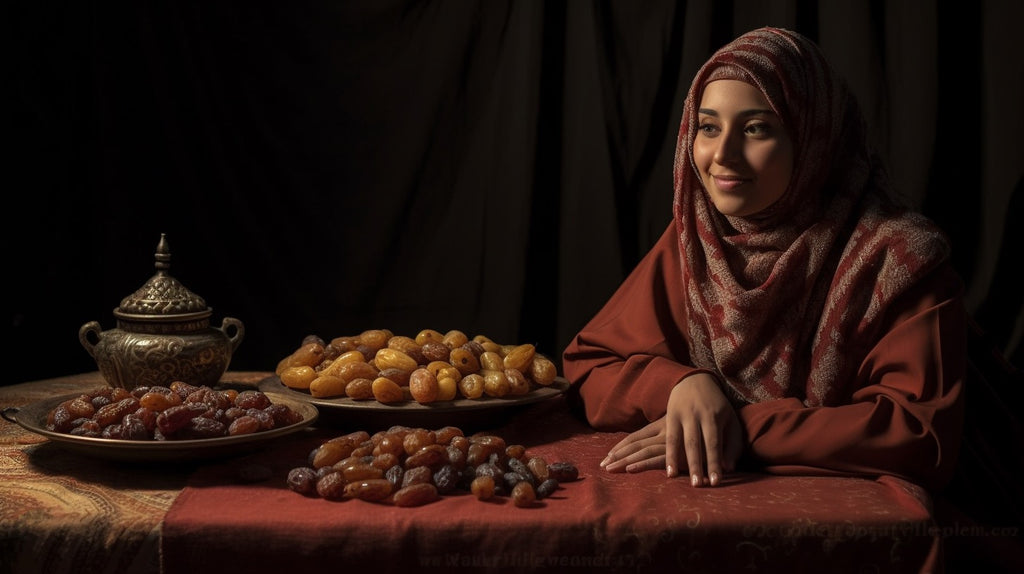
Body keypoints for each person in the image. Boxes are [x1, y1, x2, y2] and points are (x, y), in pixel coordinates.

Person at [561, 27, 967, 492]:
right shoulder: (700, 239)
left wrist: (740, 426)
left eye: (756, 128)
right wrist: (679, 387)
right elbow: (588, 364)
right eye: (709, 127)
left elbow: (919, 433)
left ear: (815, 137)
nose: (723, 156)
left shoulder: (900, 257)